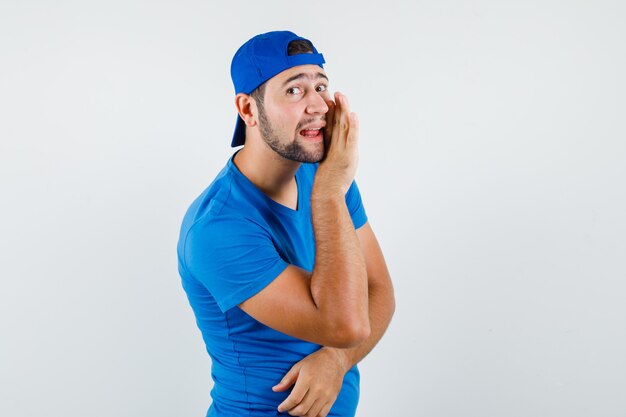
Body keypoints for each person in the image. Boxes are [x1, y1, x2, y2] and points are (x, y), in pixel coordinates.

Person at [177, 30, 395, 417]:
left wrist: (337, 361)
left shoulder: (327, 178)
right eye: (294, 90)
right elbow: (347, 326)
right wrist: (330, 192)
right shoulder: (217, 227)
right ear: (248, 110)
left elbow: (380, 292)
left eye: (321, 85)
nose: (318, 106)